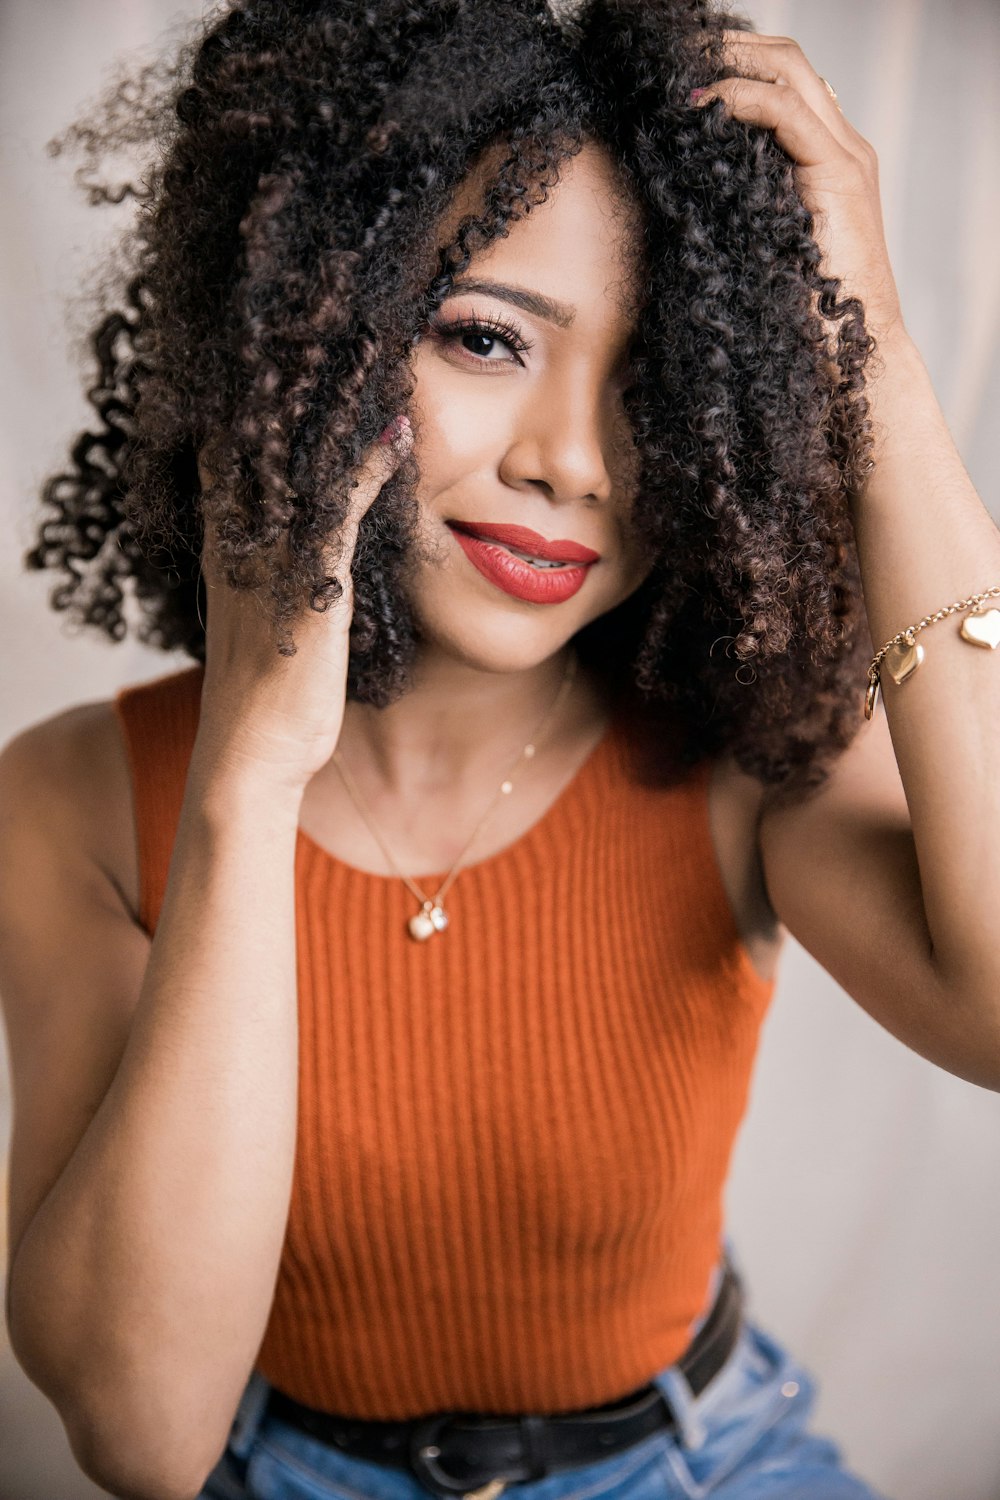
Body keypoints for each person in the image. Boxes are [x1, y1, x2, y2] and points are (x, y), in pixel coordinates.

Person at [1, 1, 998, 1497]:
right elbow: (145, 1436)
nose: (574, 461)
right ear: (307, 329)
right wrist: (253, 773)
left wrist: (882, 365)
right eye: (485, 338)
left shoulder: (741, 759)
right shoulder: (72, 801)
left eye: (654, 384)